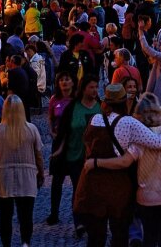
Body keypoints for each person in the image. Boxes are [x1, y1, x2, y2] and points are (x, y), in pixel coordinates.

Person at [72, 83, 161, 247]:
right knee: (120, 235)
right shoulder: (129, 122)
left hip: (92, 183)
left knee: (95, 238)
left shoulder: (94, 119)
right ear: (123, 102)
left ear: (105, 102)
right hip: (117, 186)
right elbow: (157, 142)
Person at [0, 95, 44, 247]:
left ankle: (7, 244)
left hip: (3, 176)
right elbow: (39, 155)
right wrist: (41, 173)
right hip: (27, 176)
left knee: (5, 216)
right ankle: (25, 242)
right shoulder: (31, 129)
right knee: (26, 215)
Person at [48, 74, 98, 231]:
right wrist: (59, 148)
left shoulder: (101, 106)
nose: (95, 90)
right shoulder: (72, 107)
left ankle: (92, 217)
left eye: (97, 87)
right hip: (74, 154)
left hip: (93, 155)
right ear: (83, 89)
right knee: (78, 188)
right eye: (91, 87)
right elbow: (63, 130)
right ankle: (79, 222)